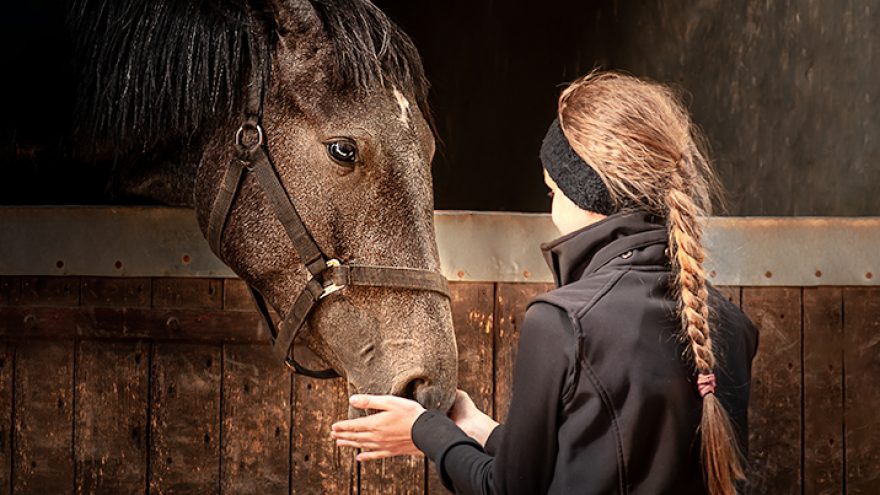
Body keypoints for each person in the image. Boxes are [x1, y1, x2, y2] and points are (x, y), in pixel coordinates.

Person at [330, 70, 759, 495]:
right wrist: (478, 428)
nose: (552, 210)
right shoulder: (730, 324)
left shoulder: (562, 322)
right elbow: (593, 459)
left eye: (553, 191)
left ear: (586, 194)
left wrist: (425, 429)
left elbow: (507, 490)